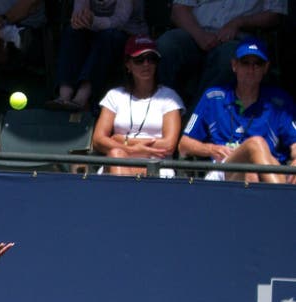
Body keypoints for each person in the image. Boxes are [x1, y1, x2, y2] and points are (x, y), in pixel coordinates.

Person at [178, 38, 296, 183]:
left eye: (257, 64)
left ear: (266, 68)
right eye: (245, 63)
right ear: (234, 65)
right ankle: (283, 197)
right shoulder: (213, 97)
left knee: (253, 174)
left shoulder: (280, 101)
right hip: (225, 169)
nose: (251, 69)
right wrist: (211, 149)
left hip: (269, 169)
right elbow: (184, 145)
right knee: (255, 144)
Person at [156, 0, 288, 106]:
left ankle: (194, 123)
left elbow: (275, 15)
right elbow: (179, 9)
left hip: (238, 38)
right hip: (195, 32)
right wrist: (199, 35)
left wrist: (239, 22)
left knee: (230, 59)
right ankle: (158, 115)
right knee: (166, 45)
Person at [91, 35, 185, 175]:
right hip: (119, 159)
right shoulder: (114, 95)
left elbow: (169, 145)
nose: (146, 64)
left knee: (117, 153)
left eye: (151, 59)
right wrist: (131, 150)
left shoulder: (169, 97)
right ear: (128, 64)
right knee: (117, 154)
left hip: (156, 164)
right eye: (139, 60)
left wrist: (124, 140)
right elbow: (98, 140)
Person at [45, 0, 149, 113]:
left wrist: (92, 20)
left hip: (126, 34)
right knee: (72, 32)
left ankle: (81, 98)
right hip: (93, 31)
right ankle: (64, 95)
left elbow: (119, 20)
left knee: (107, 36)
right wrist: (79, 19)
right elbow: (79, 13)